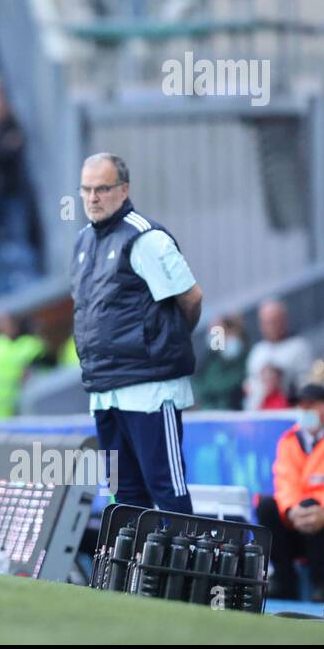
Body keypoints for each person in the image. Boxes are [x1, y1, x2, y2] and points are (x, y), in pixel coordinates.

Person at [70, 153, 203, 514]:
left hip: (148, 386)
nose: (93, 198)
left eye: (102, 189)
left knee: (167, 490)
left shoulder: (145, 237)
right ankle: (137, 570)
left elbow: (190, 298)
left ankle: (184, 570)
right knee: (125, 495)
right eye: (86, 189)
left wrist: (168, 342)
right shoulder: (83, 241)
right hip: (104, 389)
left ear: (124, 189)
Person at [255, 383, 324, 602]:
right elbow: (285, 480)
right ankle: (284, 581)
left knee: (311, 505)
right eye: (301, 406)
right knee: (267, 505)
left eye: (311, 405)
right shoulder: (289, 439)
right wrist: (291, 511)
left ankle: (321, 584)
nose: (305, 411)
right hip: (298, 524)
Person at [244, 299, 313, 409]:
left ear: (285, 320)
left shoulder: (299, 347)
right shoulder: (257, 351)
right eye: (267, 322)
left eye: (275, 321)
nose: (272, 326)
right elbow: (250, 387)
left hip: (288, 413)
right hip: (258, 415)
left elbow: (306, 385)